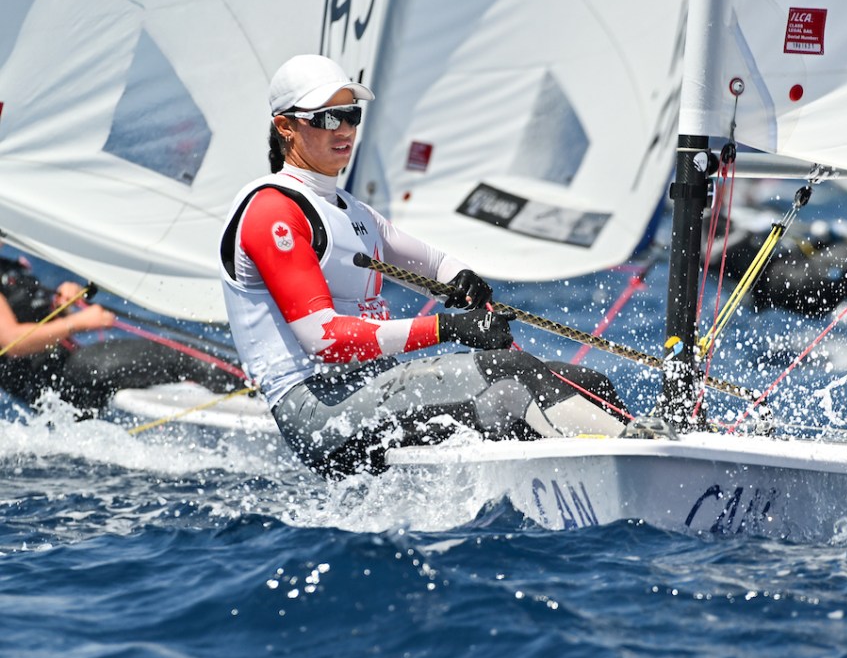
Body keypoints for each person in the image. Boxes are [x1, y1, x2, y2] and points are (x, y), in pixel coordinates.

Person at [219, 54, 627, 478]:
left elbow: (431, 262)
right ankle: (630, 458)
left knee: (585, 382)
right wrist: (447, 328)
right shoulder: (272, 211)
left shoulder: (349, 210)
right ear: (286, 126)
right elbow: (324, 340)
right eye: (326, 118)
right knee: (510, 376)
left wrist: (461, 280)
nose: (343, 130)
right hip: (319, 412)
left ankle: (655, 442)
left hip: (374, 387)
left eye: (351, 115)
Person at [0, 254, 244, 414]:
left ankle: (246, 387)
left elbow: (33, 321)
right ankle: (256, 388)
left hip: (69, 373)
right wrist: (78, 322)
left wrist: (62, 304)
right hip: (61, 383)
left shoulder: (9, 267)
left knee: (179, 359)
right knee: (182, 357)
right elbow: (12, 342)